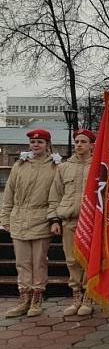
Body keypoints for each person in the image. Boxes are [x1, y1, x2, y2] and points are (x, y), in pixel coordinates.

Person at [1, 129, 60, 318]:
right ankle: (24, 298)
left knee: (39, 262)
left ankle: (37, 298)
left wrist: (54, 219)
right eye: (33, 142)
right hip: (19, 218)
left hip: (41, 218)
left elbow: (56, 195)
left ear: (47, 144)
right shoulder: (20, 165)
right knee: (22, 262)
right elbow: (9, 193)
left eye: (40, 142)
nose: (36, 145)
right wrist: (5, 217)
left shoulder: (55, 166)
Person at [48, 129, 94, 316]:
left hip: (90, 221)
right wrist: (54, 219)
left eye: (83, 141)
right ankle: (76, 295)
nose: (79, 145)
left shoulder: (99, 167)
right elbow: (55, 195)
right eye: (76, 141)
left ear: (92, 145)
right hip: (69, 220)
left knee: (89, 260)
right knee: (71, 260)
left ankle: (88, 297)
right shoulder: (64, 167)